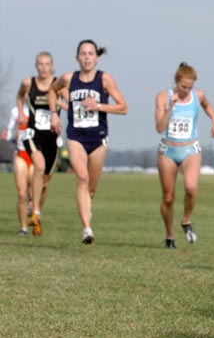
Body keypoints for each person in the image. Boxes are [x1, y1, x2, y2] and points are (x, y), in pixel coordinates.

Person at [49, 39, 128, 244]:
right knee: (81, 178)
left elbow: (123, 107)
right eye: (83, 53)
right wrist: (54, 114)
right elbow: (51, 90)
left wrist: (98, 106)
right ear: (77, 57)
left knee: (91, 188)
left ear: (97, 57)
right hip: (76, 137)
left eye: (90, 53)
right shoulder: (68, 78)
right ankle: (87, 228)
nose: (86, 57)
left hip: (98, 138)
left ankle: (86, 210)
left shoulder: (105, 80)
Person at [155, 62, 214, 249]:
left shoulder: (197, 96)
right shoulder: (163, 97)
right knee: (168, 197)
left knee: (191, 187)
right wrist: (171, 106)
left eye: (190, 87)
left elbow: (207, 106)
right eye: (184, 86)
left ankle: (186, 219)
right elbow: (159, 127)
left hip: (190, 149)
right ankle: (169, 234)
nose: (186, 90)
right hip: (168, 150)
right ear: (176, 81)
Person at [15, 52, 65, 237]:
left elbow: (71, 102)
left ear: (52, 66)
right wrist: (21, 112)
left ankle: (37, 212)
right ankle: (34, 210)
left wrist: (62, 106)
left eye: (47, 64)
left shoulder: (59, 84)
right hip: (32, 134)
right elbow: (19, 97)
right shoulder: (28, 83)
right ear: (36, 66)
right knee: (39, 165)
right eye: (40, 64)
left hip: (52, 137)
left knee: (44, 182)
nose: (44, 67)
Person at [3, 105, 34, 235]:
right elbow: (9, 131)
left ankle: (34, 210)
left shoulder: (42, 109)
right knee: (22, 194)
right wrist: (7, 134)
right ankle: (23, 228)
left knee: (33, 193)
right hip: (21, 154)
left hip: (35, 155)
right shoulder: (15, 111)